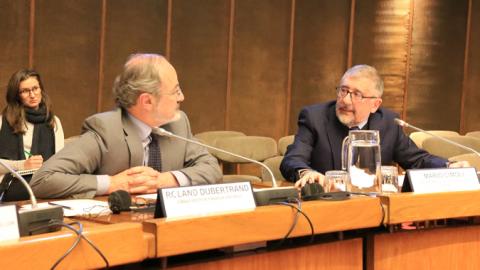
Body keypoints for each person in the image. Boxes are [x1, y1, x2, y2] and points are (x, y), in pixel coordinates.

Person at [30, 53, 222, 199]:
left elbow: (212, 169)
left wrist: (164, 180)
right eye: (175, 91)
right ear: (147, 101)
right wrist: (112, 183)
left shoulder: (178, 124)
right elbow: (43, 179)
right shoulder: (105, 130)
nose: (182, 97)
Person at [280, 64, 468, 189]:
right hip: (326, 211)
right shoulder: (315, 117)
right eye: (343, 90)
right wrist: (307, 173)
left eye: (356, 94)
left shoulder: (387, 122)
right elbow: (292, 160)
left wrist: (449, 166)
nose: (345, 100)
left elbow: (417, 160)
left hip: (373, 211)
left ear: (375, 104)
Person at [0, 69, 64, 201]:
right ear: (16, 95)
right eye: (25, 91)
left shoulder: (54, 122)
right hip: (11, 183)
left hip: (43, 181)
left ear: (41, 89)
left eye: (35, 88)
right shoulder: (3, 122)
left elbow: (60, 162)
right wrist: (22, 165)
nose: (32, 95)